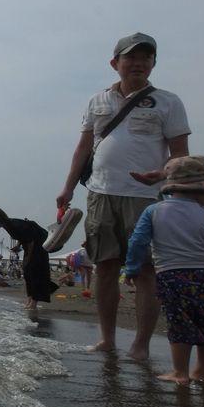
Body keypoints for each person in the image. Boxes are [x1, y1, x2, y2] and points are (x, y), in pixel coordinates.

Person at [56, 32, 190, 358]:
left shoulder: (168, 102)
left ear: (154, 63)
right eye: (131, 57)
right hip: (100, 194)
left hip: (146, 197)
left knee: (144, 270)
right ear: (115, 63)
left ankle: (141, 345)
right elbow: (84, 147)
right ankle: (107, 339)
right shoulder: (97, 100)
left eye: (147, 57)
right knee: (104, 267)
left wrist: (162, 174)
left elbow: (181, 154)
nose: (139, 63)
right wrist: (68, 187)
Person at [124, 156, 204, 385]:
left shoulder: (154, 211)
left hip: (171, 276)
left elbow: (138, 242)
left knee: (180, 324)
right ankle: (202, 372)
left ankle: (180, 372)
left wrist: (132, 267)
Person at [0, 209, 59, 317]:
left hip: (39, 245)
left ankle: (33, 303)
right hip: (32, 245)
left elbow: (31, 240)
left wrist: (29, 257)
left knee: (34, 271)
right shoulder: (8, 225)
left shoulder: (12, 224)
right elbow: (23, 235)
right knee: (28, 272)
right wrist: (18, 245)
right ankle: (30, 300)